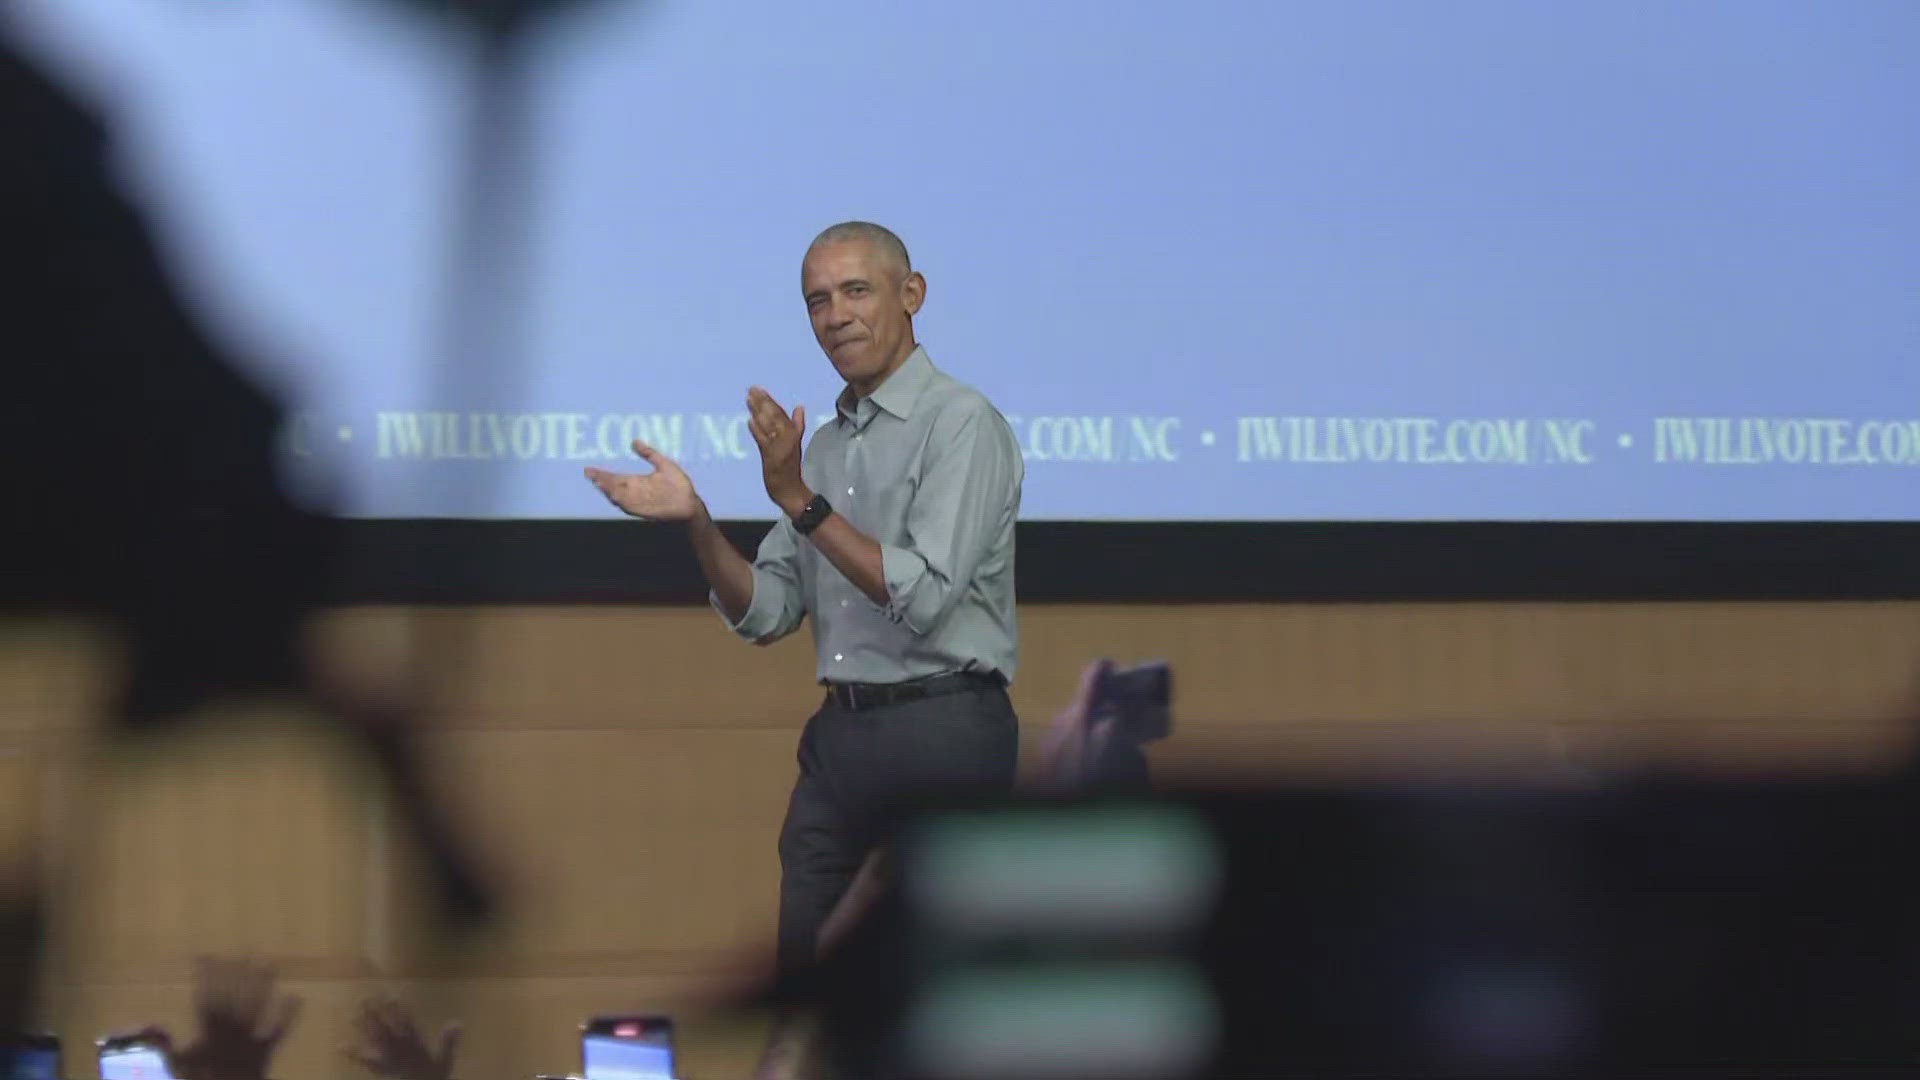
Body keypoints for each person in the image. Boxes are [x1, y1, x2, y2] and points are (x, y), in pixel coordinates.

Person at [586, 221, 1024, 974]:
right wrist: (697, 521)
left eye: (856, 291)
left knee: (933, 986)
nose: (835, 316)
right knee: (810, 984)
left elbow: (922, 598)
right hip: (842, 735)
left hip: (946, 727)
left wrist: (799, 500)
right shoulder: (820, 446)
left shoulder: (962, 424)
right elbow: (768, 611)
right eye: (817, 300)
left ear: (911, 294)